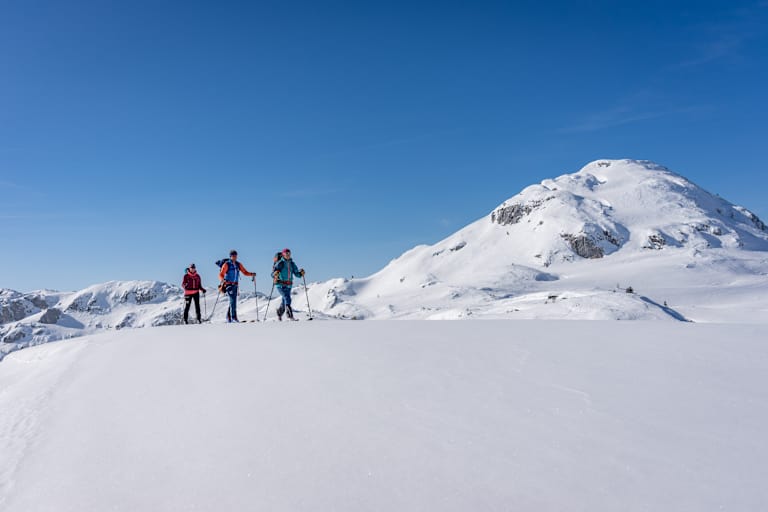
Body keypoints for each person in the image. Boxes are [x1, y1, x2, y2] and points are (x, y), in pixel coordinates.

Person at [218, 249, 255, 323]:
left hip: (235, 285)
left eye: (235, 255)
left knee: (233, 301)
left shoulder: (238, 264)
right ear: (230, 256)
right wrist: (223, 280)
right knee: (233, 300)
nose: (235, 257)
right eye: (233, 256)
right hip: (228, 284)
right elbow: (221, 274)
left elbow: (244, 272)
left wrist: (251, 274)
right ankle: (233, 318)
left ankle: (228, 317)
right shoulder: (226, 264)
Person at [272, 248, 304, 321]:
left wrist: (301, 274)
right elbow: (272, 274)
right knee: (287, 298)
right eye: (286, 254)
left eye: (289, 253)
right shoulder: (280, 263)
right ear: (283, 255)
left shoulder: (292, 264)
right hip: (280, 284)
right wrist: (275, 274)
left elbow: (296, 274)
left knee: (284, 300)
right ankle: (290, 316)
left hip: (289, 285)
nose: (288, 255)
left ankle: (279, 313)